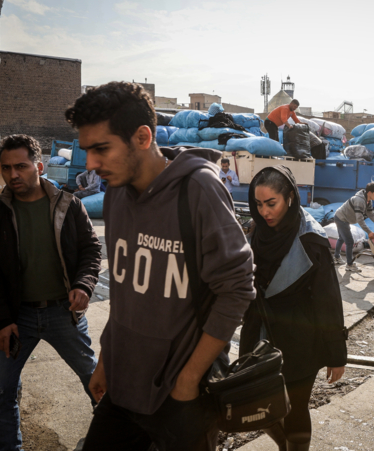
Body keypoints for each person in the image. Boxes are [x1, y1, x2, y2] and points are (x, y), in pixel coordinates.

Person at [68, 81, 256, 451]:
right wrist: (106, 359)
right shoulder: (116, 195)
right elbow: (123, 294)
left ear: (142, 137)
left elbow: (236, 287)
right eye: (87, 150)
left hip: (180, 396)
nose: (91, 164)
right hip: (122, 385)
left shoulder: (198, 189)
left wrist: (188, 380)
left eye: (101, 149)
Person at [0, 134, 102, 450]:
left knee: (99, 386)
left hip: (64, 313)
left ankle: (111, 442)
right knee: (0, 393)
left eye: (21, 166)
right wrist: (0, 321)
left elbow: (90, 249)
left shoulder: (69, 205)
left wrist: (83, 285)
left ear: (39, 166)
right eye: (6, 168)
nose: (13, 174)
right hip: (17, 319)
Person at [239, 165, 347, 451]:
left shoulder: (311, 239)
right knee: (256, 406)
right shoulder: (254, 232)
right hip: (258, 336)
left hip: (300, 341)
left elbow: (328, 300)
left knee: (295, 408)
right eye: (259, 204)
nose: (264, 212)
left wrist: (337, 354)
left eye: (271, 203)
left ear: (289, 197)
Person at [334, 183, 374, 272]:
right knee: (349, 242)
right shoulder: (359, 201)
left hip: (342, 218)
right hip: (341, 219)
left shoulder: (368, 201)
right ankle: (349, 264)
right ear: (369, 192)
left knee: (341, 238)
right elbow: (360, 220)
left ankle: (336, 258)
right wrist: (369, 232)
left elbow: (372, 215)